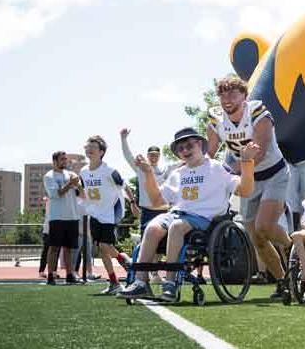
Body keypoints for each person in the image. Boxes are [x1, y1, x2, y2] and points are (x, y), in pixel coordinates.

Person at [117, 127, 260, 301]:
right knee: (152, 227)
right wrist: (148, 173)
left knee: (177, 227)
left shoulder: (217, 168)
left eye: (189, 146)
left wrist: (246, 162)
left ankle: (170, 284)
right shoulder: (177, 173)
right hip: (176, 214)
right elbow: (157, 201)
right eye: (180, 148)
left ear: (200, 145)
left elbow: (245, 190)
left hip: (203, 219)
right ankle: (141, 282)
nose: (184, 150)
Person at [206, 75, 291, 298]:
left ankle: (293, 248)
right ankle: (283, 280)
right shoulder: (215, 119)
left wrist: (230, 171)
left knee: (264, 226)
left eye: (233, 93)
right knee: (257, 237)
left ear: (244, 96)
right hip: (248, 177)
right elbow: (208, 156)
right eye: (223, 94)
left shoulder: (258, 113)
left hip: (273, 174)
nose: (227, 99)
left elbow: (259, 153)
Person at [78, 135, 134, 295]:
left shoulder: (109, 171)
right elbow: (84, 192)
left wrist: (133, 203)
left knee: (104, 245)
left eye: (93, 147)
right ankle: (114, 283)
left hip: (110, 212)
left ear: (101, 152)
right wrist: (78, 190)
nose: (89, 149)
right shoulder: (83, 171)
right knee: (102, 250)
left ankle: (126, 261)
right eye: (87, 146)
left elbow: (125, 185)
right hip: (94, 213)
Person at [121, 128, 173, 283]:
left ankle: (155, 274)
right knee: (146, 244)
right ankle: (142, 275)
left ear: (160, 156)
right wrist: (123, 139)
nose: (154, 157)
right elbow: (128, 156)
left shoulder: (166, 169)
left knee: (162, 245)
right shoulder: (140, 169)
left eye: (156, 155)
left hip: (164, 212)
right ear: (147, 155)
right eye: (151, 155)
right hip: (147, 212)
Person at [43, 151, 82, 285]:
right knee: (54, 247)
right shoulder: (49, 176)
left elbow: (80, 193)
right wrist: (70, 184)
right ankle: (50, 275)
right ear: (54, 161)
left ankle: (70, 274)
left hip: (72, 216)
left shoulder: (70, 174)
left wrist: (78, 184)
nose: (65, 162)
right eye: (62, 159)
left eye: (66, 159)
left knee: (69, 248)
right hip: (57, 217)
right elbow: (56, 194)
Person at [38, 197, 51, 279]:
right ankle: (42, 271)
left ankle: (53, 271)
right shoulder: (49, 201)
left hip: (55, 229)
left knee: (55, 251)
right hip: (47, 230)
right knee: (46, 251)